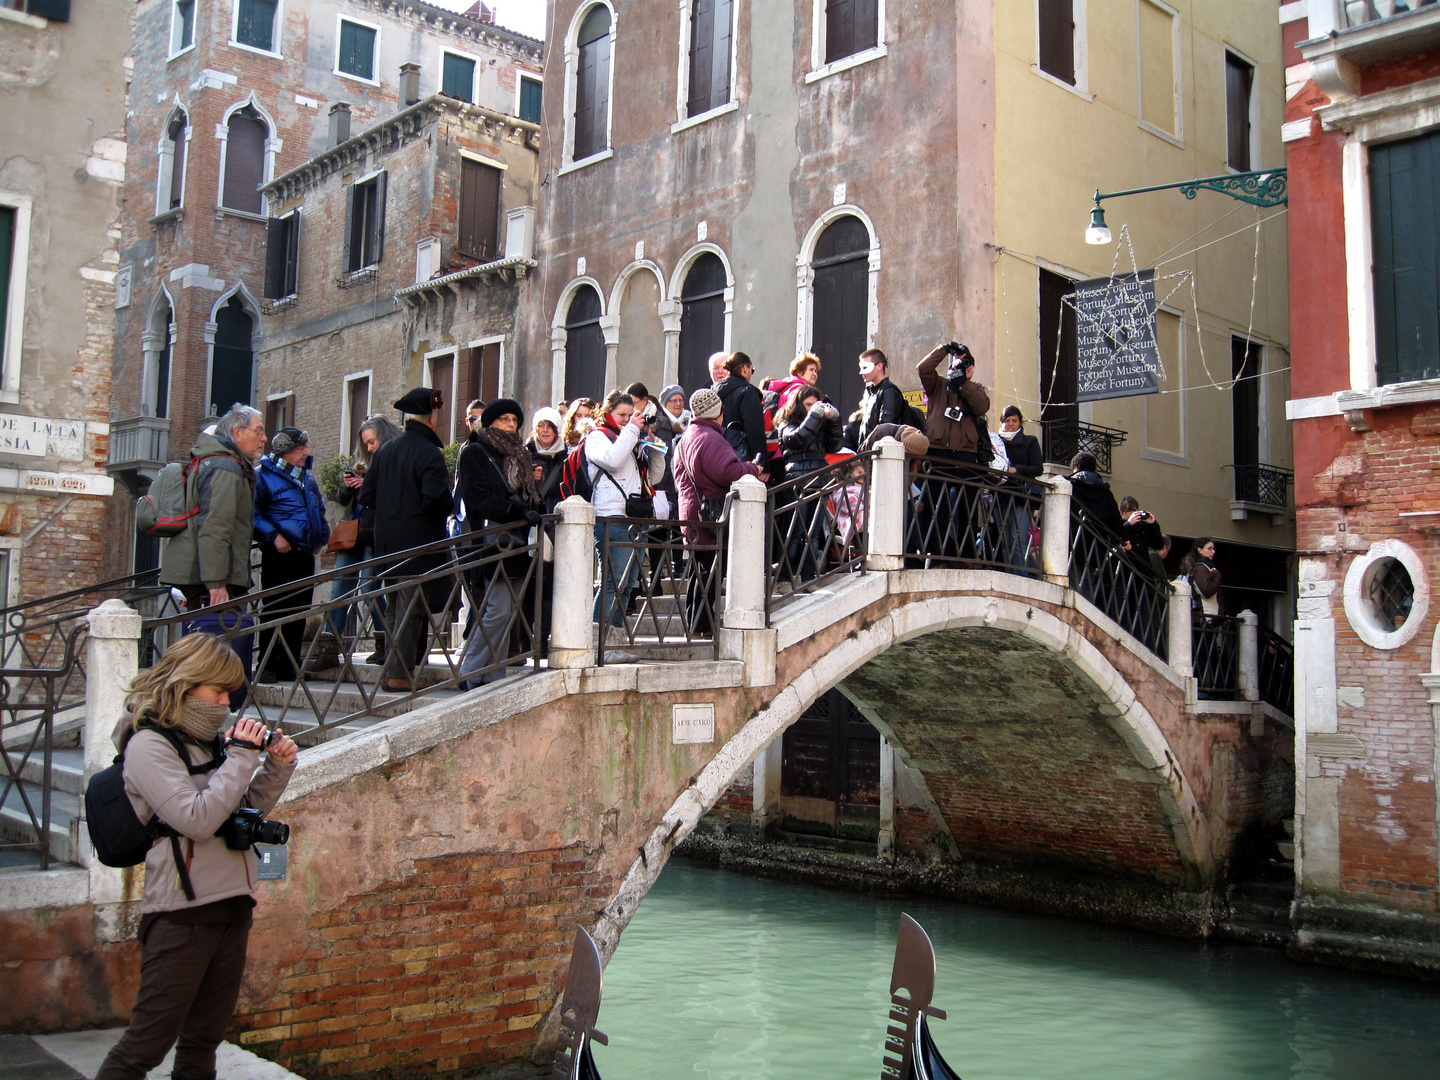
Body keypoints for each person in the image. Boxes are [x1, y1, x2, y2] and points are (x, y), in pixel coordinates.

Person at [94, 633, 297, 1080]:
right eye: (218, 691)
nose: (226, 702)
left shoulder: (207, 741)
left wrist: (277, 766)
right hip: (182, 916)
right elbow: (197, 820)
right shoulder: (148, 746)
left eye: (231, 693)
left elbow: (236, 814)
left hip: (232, 906)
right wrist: (242, 754)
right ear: (185, 685)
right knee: (143, 1048)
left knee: (204, 1041)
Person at [358, 387, 452, 692]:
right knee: (410, 610)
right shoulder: (429, 454)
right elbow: (435, 500)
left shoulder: (385, 451)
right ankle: (398, 674)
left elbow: (367, 494)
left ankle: (391, 670)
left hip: (388, 544)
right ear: (432, 417)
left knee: (395, 607)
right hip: (419, 544)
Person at [455, 398, 542, 688]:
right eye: (504, 419)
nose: (510, 424)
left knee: (510, 610)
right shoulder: (474, 452)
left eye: (514, 420)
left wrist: (531, 503)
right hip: (492, 539)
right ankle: (469, 671)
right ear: (490, 421)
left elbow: (527, 497)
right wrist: (513, 509)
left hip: (518, 540)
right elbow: (477, 498)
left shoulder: (520, 454)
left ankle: (493, 676)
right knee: (498, 610)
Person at [160, 404, 266, 612]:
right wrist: (215, 583)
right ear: (238, 432)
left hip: (205, 576)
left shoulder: (217, 461)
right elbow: (215, 527)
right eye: (259, 431)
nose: (264, 439)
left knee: (207, 640)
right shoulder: (226, 467)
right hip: (211, 581)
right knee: (215, 641)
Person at [674, 387, 763, 635]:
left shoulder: (687, 436)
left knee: (698, 572)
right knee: (709, 572)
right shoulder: (709, 437)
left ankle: (696, 627)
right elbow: (728, 472)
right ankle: (703, 629)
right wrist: (753, 469)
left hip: (691, 513)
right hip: (710, 517)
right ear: (718, 412)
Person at [585, 390, 666, 643]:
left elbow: (654, 478)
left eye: (631, 415)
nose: (627, 419)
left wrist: (653, 447)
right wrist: (631, 431)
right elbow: (612, 460)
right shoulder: (597, 436)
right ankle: (597, 641)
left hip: (635, 518)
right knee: (613, 582)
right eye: (622, 414)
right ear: (607, 412)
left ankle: (614, 638)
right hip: (611, 517)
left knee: (628, 583)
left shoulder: (629, 437)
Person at [252, 428, 329, 683]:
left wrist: (321, 538)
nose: (305, 453)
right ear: (285, 452)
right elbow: (253, 513)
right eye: (300, 449)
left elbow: (318, 508)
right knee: (275, 609)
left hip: (304, 553)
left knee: (299, 609)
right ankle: (267, 666)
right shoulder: (262, 476)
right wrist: (273, 536)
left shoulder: (307, 478)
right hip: (279, 553)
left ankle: (290, 665)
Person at [327, 415, 402, 661]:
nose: (369, 448)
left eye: (372, 442)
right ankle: (329, 647)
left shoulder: (395, 456)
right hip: (352, 529)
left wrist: (367, 483)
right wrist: (350, 485)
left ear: (384, 435)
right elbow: (341, 496)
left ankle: (383, 643)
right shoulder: (361, 460)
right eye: (366, 444)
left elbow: (396, 495)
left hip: (375, 531)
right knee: (340, 588)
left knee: (371, 588)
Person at [776, 386, 845, 584]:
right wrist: (814, 416)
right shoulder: (786, 422)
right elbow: (797, 440)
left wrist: (834, 420)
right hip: (796, 481)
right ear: (798, 405)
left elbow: (835, 445)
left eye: (815, 405)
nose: (812, 409)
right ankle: (783, 578)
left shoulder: (819, 422)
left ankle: (809, 578)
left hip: (819, 479)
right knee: (794, 532)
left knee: (813, 535)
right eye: (807, 405)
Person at [917, 342, 991, 461]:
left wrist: (963, 383)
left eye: (967, 363)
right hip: (937, 448)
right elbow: (923, 368)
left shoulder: (976, 388)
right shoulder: (938, 384)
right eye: (960, 364)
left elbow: (982, 407)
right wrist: (945, 349)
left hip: (966, 451)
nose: (965, 367)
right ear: (951, 368)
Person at [997, 406, 1044, 573]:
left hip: (1021, 497)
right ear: (1001, 422)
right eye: (1007, 420)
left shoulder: (1029, 441)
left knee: (1019, 540)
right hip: (1000, 497)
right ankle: (1009, 577)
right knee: (1004, 541)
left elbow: (1038, 468)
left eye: (1014, 421)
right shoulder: (996, 442)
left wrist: (1017, 470)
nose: (1010, 424)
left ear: (1020, 422)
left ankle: (1021, 578)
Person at [714, 352, 766, 464]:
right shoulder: (748, 391)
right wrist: (762, 463)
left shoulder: (713, 390)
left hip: (716, 454)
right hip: (741, 458)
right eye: (752, 370)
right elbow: (754, 428)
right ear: (745, 368)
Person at [1067, 452, 1126, 538]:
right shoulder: (1106, 493)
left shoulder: (1068, 487)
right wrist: (1124, 539)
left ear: (1076, 468)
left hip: (1071, 543)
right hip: (1098, 546)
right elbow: (1116, 523)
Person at [857, 349, 907, 448]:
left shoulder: (889, 392)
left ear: (879, 366)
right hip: (868, 454)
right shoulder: (869, 394)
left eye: (865, 367)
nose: (861, 372)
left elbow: (886, 428)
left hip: (881, 453)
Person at [527, 407, 567, 513]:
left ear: (557, 429)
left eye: (550, 426)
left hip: (559, 514)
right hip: (534, 514)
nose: (545, 430)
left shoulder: (567, 456)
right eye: (541, 426)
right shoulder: (525, 454)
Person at [1119, 496, 1165, 571]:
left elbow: (1158, 545)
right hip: (1124, 568)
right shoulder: (1119, 524)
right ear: (1121, 512)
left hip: (1143, 569)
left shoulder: (1143, 526)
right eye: (1130, 510)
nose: (1133, 513)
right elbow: (1116, 535)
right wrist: (1129, 523)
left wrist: (1153, 524)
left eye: (1135, 510)